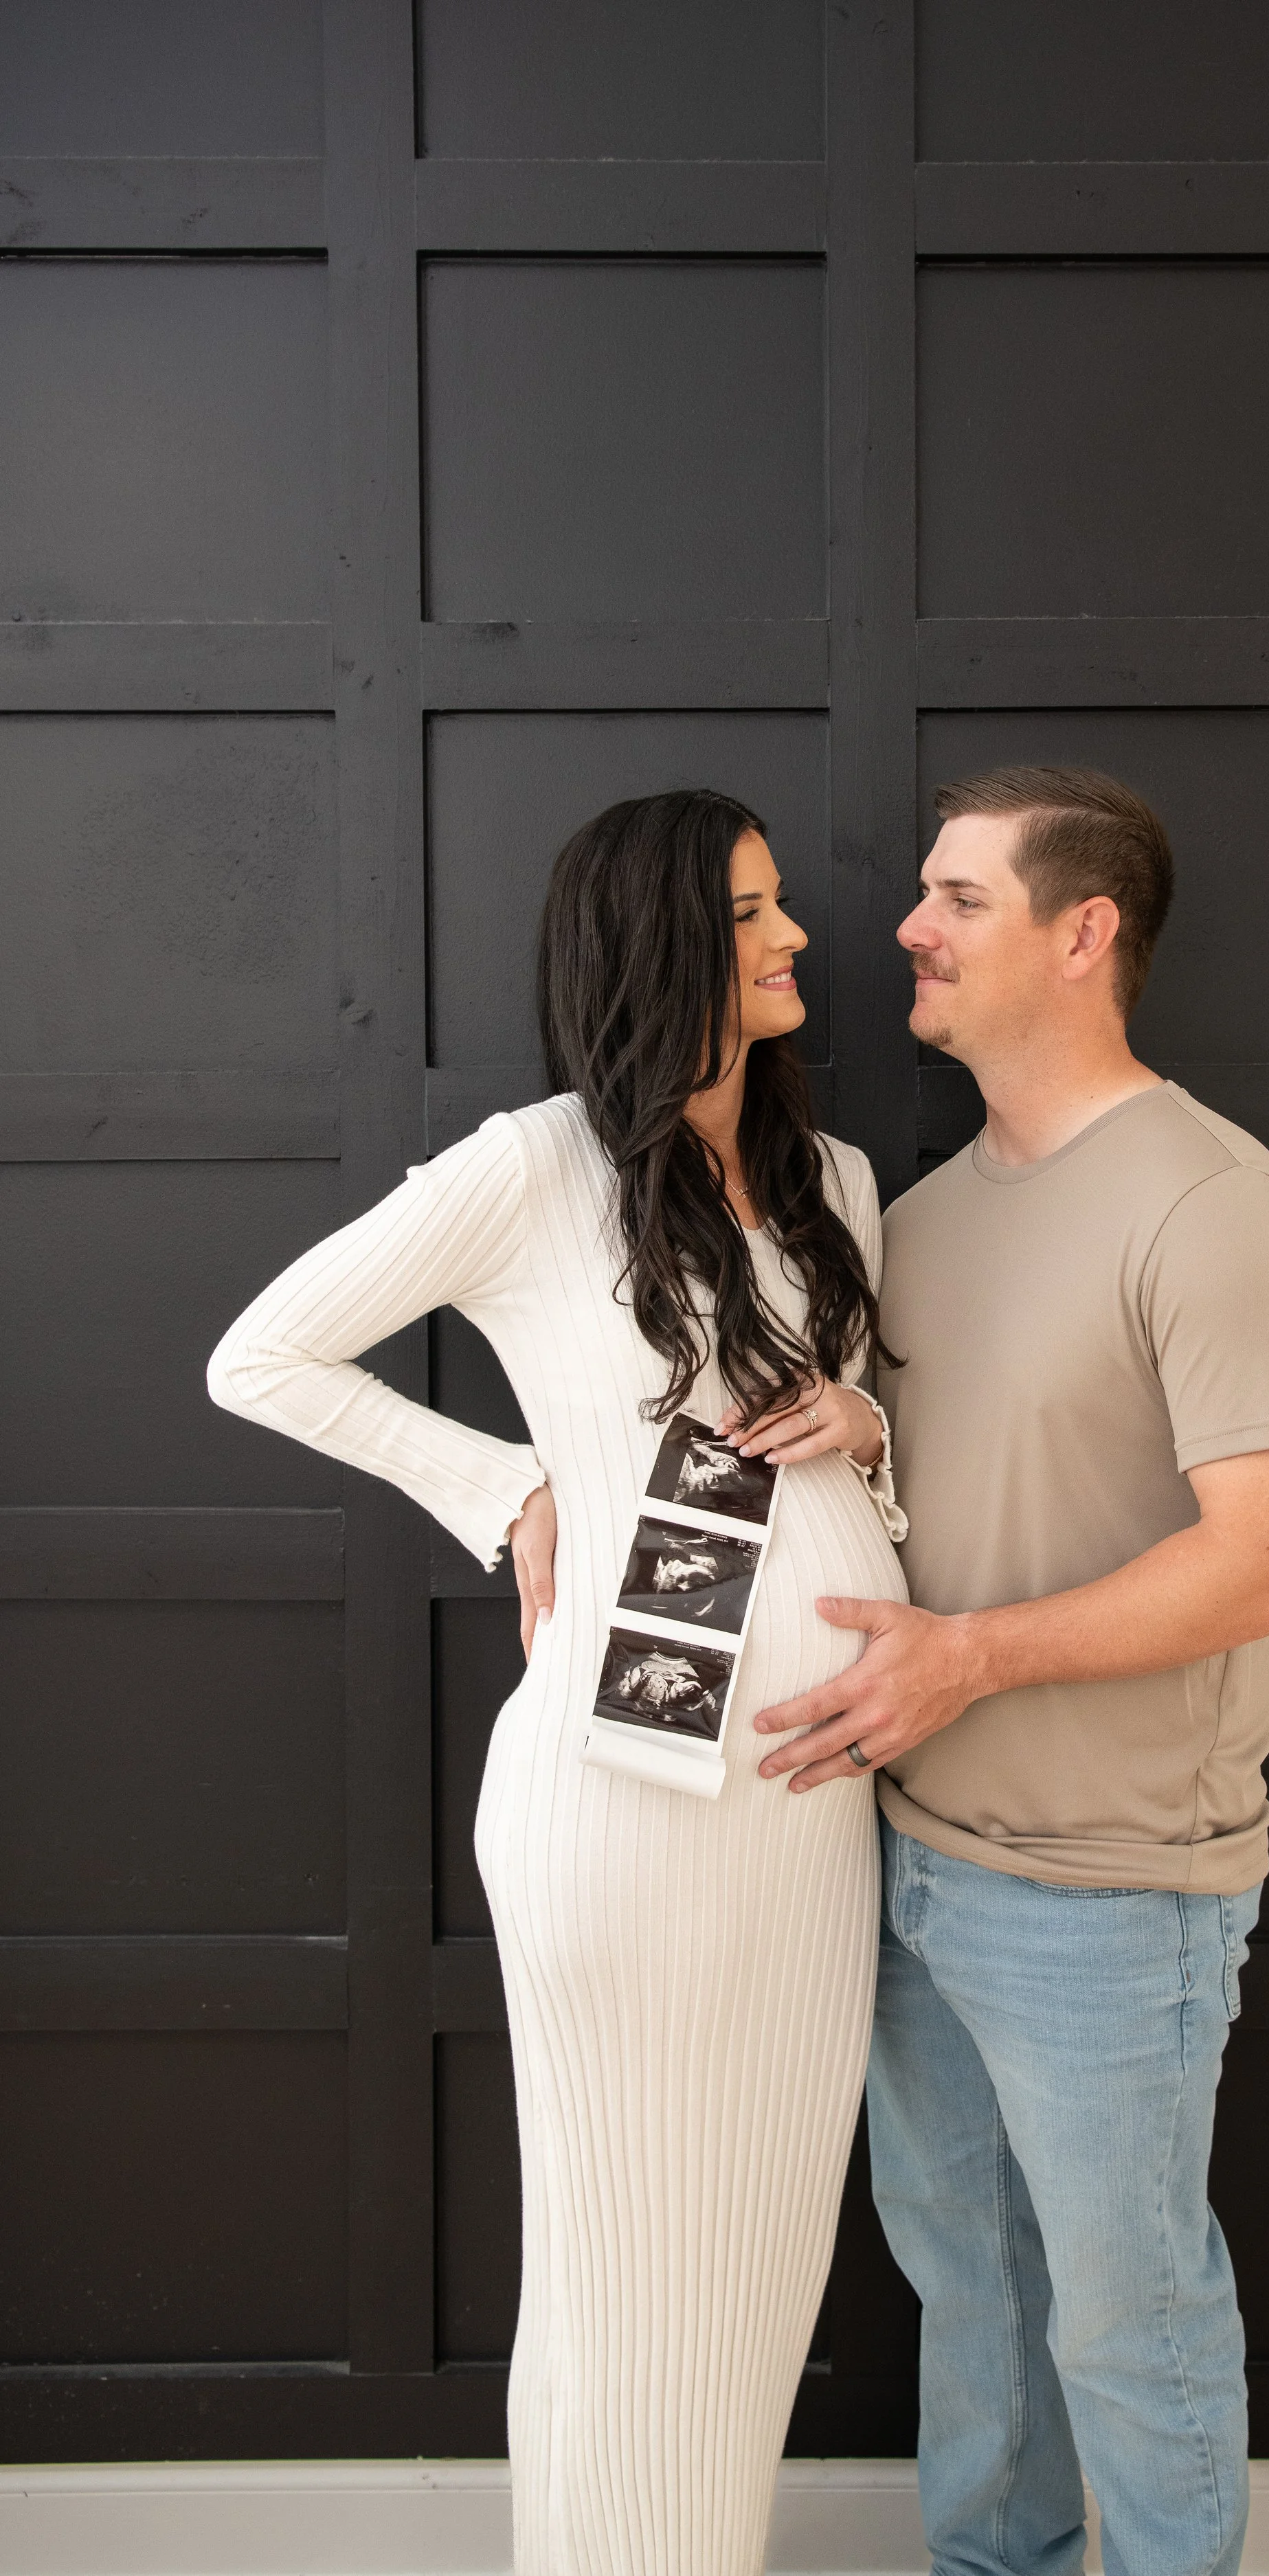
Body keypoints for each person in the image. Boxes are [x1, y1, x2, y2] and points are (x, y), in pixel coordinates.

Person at [207, 789, 908, 2576]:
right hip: (620, 1794)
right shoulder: (532, 1168)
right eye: (751, 911)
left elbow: (857, 1481)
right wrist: (500, 1485)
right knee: (617, 2251)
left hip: (813, 1794)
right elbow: (261, 1353)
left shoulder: (836, 1186)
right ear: (659, 939)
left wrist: (872, 1426)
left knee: (757, 2243)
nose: (796, 937)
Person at [752, 767, 1269, 2576]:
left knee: (1122, 2302)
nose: (902, 929)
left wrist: (965, 1660)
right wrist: (867, 1437)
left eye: (956, 899)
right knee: (968, 2288)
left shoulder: (1210, 1203)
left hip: (1110, 1893)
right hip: (914, 1863)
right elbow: (976, 1492)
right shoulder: (923, 1219)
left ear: (1081, 933)